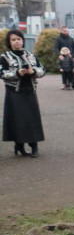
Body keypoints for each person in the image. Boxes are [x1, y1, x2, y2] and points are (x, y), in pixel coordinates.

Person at [1, 29, 45, 157]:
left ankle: (34, 145)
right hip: (14, 93)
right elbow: (2, 73)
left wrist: (33, 72)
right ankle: (19, 145)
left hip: (29, 91)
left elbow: (42, 70)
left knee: (32, 119)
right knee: (17, 120)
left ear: (23, 40)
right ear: (9, 42)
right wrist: (16, 73)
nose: (16, 42)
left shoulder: (30, 55)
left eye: (19, 39)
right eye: (13, 40)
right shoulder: (5, 57)